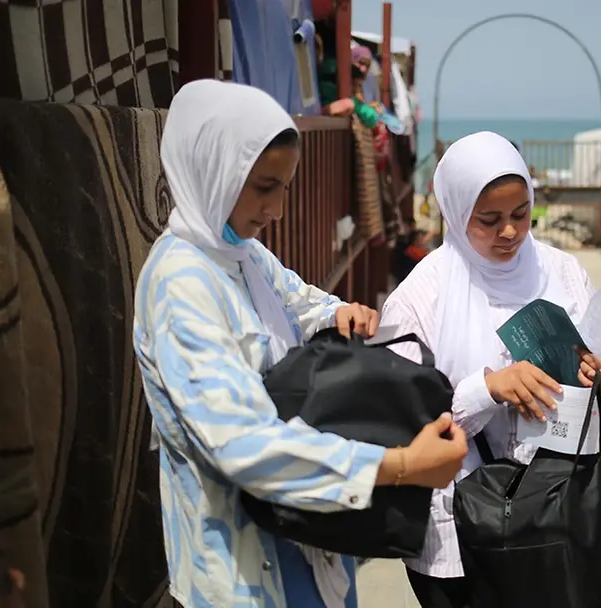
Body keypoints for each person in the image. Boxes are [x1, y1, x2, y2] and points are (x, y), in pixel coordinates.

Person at [133, 80, 468, 608]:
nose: (278, 209)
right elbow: (243, 444)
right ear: (213, 170)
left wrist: (340, 312)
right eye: (264, 186)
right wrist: (401, 465)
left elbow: (301, 301)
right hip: (241, 577)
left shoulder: (240, 254)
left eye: (284, 187)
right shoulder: (182, 285)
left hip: (307, 547)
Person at [380, 131, 601, 607]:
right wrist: (487, 389)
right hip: (458, 536)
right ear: (456, 211)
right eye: (489, 220)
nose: (509, 232)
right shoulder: (420, 298)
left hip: (553, 517)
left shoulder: (561, 272)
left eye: (521, 215)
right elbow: (398, 423)